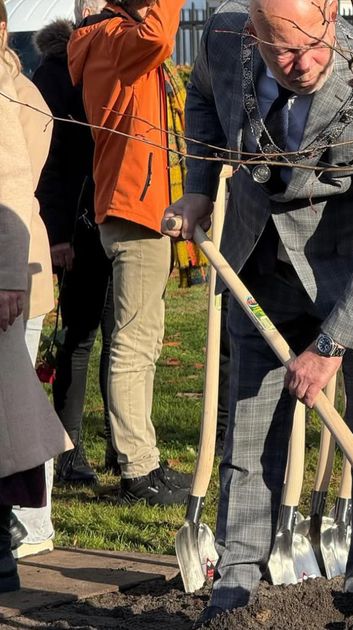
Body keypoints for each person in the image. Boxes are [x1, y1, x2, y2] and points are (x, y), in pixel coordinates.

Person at [163, 0, 353, 619]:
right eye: (283, 50)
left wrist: (331, 346)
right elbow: (201, 96)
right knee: (250, 426)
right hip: (262, 263)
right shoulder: (224, 35)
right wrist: (200, 187)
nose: (304, 63)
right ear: (253, 33)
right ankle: (235, 591)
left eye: (315, 45)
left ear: (331, 14)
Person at [68, 0, 190, 505]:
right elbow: (159, 36)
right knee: (134, 344)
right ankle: (138, 471)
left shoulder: (107, 39)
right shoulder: (111, 38)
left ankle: (142, 460)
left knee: (141, 339)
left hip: (135, 204)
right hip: (135, 207)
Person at [0, 0, 72, 587]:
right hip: (16, 264)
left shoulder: (12, 91)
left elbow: (13, 185)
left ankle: (29, 524)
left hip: (12, 270)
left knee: (15, 408)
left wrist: (8, 276)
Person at [33, 0, 111, 488]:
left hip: (116, 216)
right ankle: (68, 448)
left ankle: (123, 448)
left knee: (120, 338)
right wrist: (58, 235)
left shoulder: (114, 59)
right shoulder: (55, 72)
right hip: (78, 225)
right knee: (79, 337)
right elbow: (49, 161)